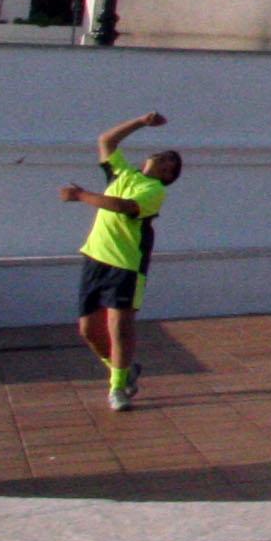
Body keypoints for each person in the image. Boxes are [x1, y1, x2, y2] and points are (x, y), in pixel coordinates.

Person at [55, 110, 179, 412]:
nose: (162, 160)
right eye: (162, 156)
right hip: (95, 258)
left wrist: (81, 195)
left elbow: (122, 206)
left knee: (119, 327)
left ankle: (117, 389)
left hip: (125, 265)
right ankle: (121, 370)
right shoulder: (122, 173)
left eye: (168, 164)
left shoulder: (153, 191)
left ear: (167, 177)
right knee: (88, 330)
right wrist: (140, 122)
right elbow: (107, 140)